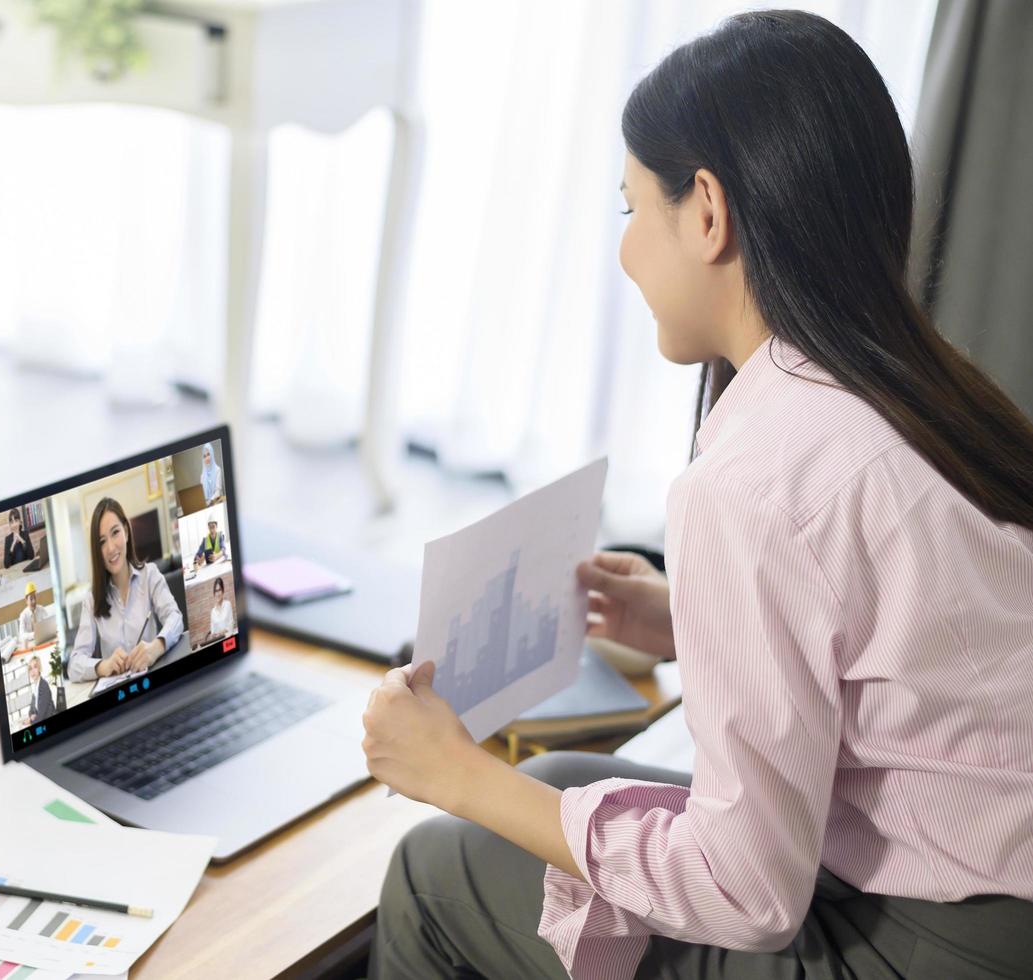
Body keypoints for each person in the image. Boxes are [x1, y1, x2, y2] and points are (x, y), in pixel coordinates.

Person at [362, 12, 1033, 980]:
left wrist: (458, 775)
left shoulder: (750, 475)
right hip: (998, 893)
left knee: (435, 868)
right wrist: (690, 618)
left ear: (707, 212)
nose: (629, 250)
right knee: (555, 787)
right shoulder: (918, 388)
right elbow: (920, 653)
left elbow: (749, 890)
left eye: (631, 208)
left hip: (938, 939)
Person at [66, 497, 184, 682]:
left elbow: (175, 618)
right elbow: (74, 665)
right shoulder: (91, 600)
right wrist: (102, 666)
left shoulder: (149, 575)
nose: (111, 548)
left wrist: (157, 646)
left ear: (126, 532)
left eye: (115, 533)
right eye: (102, 542)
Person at [13, 582, 55, 655]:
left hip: (42, 642)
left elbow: (48, 624)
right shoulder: (23, 615)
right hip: (30, 646)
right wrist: (33, 634)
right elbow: (21, 635)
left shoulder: (41, 609)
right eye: (31, 599)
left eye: (35, 598)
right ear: (26, 600)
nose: (34, 601)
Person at [24, 654, 54, 725]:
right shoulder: (35, 688)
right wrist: (31, 717)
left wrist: (30, 720)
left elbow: (41, 715)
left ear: (39, 668)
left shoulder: (43, 686)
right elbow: (31, 711)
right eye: (30, 668)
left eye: (35, 667)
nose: (32, 671)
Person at [205, 576, 234, 644]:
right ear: (214, 593)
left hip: (228, 640)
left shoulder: (227, 604)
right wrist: (213, 635)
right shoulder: (213, 612)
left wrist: (221, 633)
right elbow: (213, 631)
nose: (218, 593)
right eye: (216, 591)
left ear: (223, 591)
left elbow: (231, 624)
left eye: (219, 590)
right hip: (218, 641)